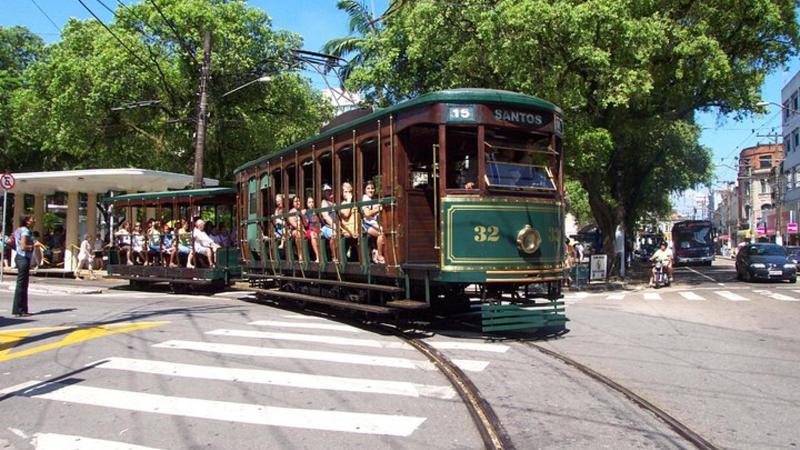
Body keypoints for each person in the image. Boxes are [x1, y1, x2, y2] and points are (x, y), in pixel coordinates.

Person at [12, 215, 35, 317]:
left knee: (22, 284)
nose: (34, 221)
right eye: (32, 219)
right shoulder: (25, 231)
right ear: (27, 221)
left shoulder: (18, 229)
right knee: (22, 285)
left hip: (19, 257)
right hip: (23, 258)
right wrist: (34, 246)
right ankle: (19, 310)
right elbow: (23, 246)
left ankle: (22, 310)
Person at [362, 181, 386, 264]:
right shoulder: (365, 198)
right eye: (368, 188)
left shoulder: (374, 199)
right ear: (364, 190)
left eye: (372, 188)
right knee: (381, 233)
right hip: (366, 224)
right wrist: (378, 209)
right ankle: (379, 255)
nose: (371, 190)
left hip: (374, 223)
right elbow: (367, 213)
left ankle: (375, 251)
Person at [338, 182, 359, 261]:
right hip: (347, 229)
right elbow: (346, 214)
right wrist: (349, 200)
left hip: (356, 228)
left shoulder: (354, 202)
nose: (348, 194)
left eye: (350, 192)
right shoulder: (342, 203)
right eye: (345, 192)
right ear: (342, 193)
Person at [320, 184, 338, 261]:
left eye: (331, 190)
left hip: (338, 226)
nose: (330, 192)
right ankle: (334, 256)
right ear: (324, 193)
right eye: (327, 191)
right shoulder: (324, 202)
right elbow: (325, 216)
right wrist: (334, 226)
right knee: (334, 235)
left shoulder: (336, 202)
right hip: (327, 227)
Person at [302, 196, 322, 263]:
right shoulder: (306, 212)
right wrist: (303, 215)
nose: (311, 204)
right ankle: (318, 256)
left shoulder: (317, 210)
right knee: (313, 234)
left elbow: (321, 222)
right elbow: (306, 224)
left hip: (318, 229)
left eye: (312, 202)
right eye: (309, 202)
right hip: (310, 230)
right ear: (307, 204)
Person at [287, 195, 304, 262]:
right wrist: (301, 229)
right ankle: (300, 255)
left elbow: (306, 223)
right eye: (295, 201)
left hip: (304, 229)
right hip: (294, 230)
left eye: (299, 201)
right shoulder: (291, 212)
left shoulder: (302, 210)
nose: (297, 203)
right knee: (298, 233)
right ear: (293, 203)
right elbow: (294, 224)